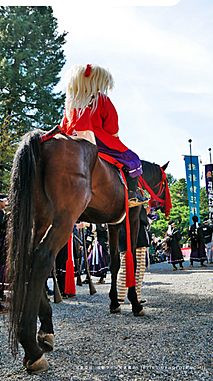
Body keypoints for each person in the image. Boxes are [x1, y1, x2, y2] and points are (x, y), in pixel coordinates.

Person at [59, 64, 147, 206]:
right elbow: (112, 127)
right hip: (98, 140)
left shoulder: (71, 101)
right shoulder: (101, 99)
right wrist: (114, 138)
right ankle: (132, 194)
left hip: (72, 138)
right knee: (133, 160)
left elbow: (65, 124)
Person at [117, 204, 151, 304]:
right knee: (138, 268)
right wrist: (146, 210)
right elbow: (140, 215)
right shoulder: (135, 199)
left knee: (124, 266)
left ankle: (121, 294)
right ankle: (134, 295)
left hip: (124, 235)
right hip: (137, 235)